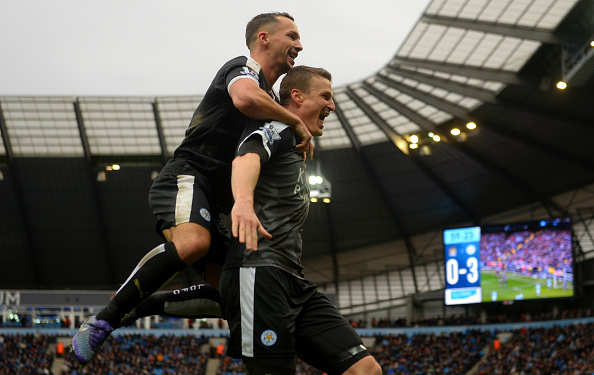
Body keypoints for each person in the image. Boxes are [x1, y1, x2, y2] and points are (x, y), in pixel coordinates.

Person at [71, 12, 312, 367]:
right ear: (264, 38)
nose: (300, 44)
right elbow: (245, 99)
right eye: (291, 35)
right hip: (187, 177)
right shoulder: (244, 68)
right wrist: (294, 120)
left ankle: (138, 308)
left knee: (226, 290)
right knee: (193, 242)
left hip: (215, 204)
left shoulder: (274, 100)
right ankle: (105, 317)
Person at [220, 66, 382, 375]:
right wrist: (242, 203)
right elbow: (246, 155)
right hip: (259, 274)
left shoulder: (294, 142)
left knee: (365, 369)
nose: (332, 106)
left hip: (294, 283)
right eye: (325, 96)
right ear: (296, 96)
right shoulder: (277, 128)